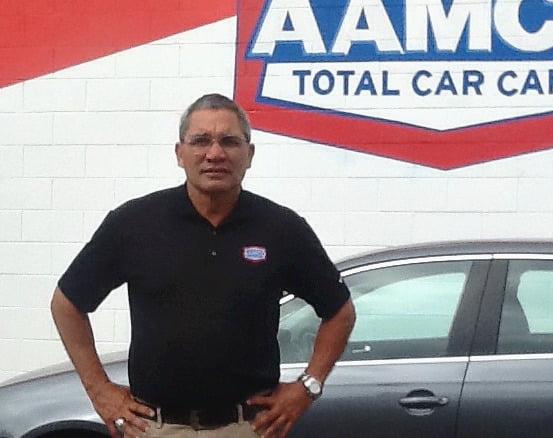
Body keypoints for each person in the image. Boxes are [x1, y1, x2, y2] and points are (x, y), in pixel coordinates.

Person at [50, 93, 356, 438]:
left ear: (249, 154)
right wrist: (99, 390)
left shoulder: (281, 229)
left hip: (247, 428)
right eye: (200, 141)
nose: (215, 154)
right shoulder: (134, 224)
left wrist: (308, 386)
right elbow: (67, 305)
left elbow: (340, 312)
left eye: (229, 141)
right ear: (179, 154)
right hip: (156, 429)